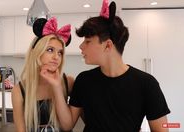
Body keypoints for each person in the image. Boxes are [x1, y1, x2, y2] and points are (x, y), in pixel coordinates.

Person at [45, 0, 171, 132]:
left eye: (87, 41)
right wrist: (56, 86)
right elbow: (67, 125)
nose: (81, 46)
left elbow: (163, 129)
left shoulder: (146, 83)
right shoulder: (84, 80)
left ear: (108, 45)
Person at [11, 17, 74, 132]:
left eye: (60, 52)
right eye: (50, 50)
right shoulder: (19, 91)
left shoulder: (68, 82)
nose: (56, 57)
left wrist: (56, 87)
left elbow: (68, 126)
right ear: (36, 53)